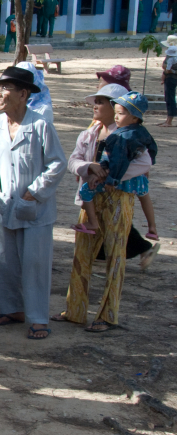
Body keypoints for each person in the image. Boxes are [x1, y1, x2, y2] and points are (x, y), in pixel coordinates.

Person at [56, 85, 153, 332]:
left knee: (115, 257)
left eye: (101, 101)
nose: (95, 106)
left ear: (116, 107)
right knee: (82, 255)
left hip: (119, 200)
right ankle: (75, 310)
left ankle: (108, 315)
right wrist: (90, 167)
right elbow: (73, 161)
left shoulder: (132, 136)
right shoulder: (89, 134)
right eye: (95, 101)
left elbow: (144, 165)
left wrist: (110, 176)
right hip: (90, 199)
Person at [0, 67, 67, 340]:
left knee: (35, 264)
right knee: (6, 261)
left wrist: (34, 191)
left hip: (35, 208)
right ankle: (12, 310)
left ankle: (39, 318)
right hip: (7, 204)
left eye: (6, 88)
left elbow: (57, 163)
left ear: (23, 93)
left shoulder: (40, 124)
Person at [72, 92, 157, 235]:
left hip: (117, 183)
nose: (116, 117)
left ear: (134, 117)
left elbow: (117, 160)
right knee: (144, 195)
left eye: (120, 113)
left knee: (86, 191)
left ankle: (92, 222)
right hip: (136, 178)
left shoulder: (121, 136)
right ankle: (152, 227)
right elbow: (152, 148)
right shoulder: (141, 132)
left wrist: (109, 178)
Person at [161, 46, 177, 127]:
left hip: (171, 78)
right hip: (173, 78)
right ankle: (168, 120)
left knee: (170, 99)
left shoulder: (170, 59)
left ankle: (169, 121)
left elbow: (167, 69)